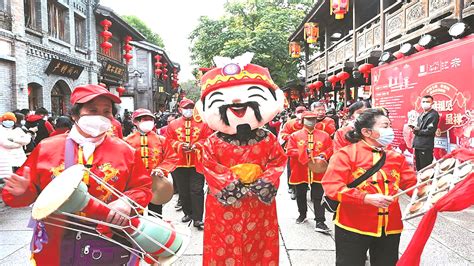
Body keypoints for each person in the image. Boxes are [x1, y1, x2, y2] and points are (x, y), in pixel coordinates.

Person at [2, 84, 152, 265]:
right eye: (93, 110)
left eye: (107, 112)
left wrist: (126, 202)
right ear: (75, 114)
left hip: (110, 241)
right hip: (57, 244)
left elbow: (143, 188)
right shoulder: (47, 148)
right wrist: (21, 192)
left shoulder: (126, 151)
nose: (101, 117)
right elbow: (22, 196)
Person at [197, 53, 287, 264]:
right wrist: (236, 184)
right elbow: (210, 167)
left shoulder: (268, 139)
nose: (237, 101)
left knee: (260, 243)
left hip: (259, 203)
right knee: (223, 245)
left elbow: (278, 162)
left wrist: (262, 182)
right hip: (224, 205)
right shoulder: (212, 141)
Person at [322, 108, 417, 266]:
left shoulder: (395, 157)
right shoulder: (346, 155)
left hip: (389, 225)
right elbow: (332, 187)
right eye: (385, 126)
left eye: (390, 126)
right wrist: (365, 198)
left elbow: (412, 184)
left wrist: (433, 189)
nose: (390, 130)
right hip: (352, 225)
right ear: (367, 131)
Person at [166, 98, 213, 230]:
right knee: (183, 191)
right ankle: (188, 213)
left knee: (197, 190)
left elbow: (208, 140)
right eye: (186, 108)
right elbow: (169, 141)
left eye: (191, 108)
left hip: (197, 162)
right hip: (179, 163)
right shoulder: (173, 124)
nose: (189, 110)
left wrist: (196, 146)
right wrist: (180, 145)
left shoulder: (203, 124)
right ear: (180, 109)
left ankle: (198, 218)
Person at [124, 108, 178, 216]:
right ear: (136, 122)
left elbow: (171, 157)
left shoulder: (161, 140)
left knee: (155, 214)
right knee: (134, 214)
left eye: (150, 119)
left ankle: (155, 232)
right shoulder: (127, 141)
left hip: (156, 183)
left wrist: (161, 169)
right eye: (144, 119)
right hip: (134, 184)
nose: (148, 122)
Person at [286, 111, 333, 232]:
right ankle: (302, 214)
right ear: (302, 120)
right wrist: (302, 152)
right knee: (300, 194)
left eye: (313, 119)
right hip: (300, 169)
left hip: (318, 169)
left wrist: (323, 154)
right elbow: (289, 151)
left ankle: (320, 221)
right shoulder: (295, 135)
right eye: (308, 119)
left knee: (318, 195)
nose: (311, 121)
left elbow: (330, 148)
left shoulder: (324, 135)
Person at [0, 112, 31, 182]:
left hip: (20, 160)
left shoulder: (18, 130)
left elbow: (26, 140)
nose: (8, 122)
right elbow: (5, 143)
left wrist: (14, 140)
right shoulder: (1, 131)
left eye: (10, 120)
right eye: (6, 120)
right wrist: (20, 144)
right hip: (6, 162)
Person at [412, 95, 439, 171]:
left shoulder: (433, 114)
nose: (425, 103)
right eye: (423, 102)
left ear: (432, 103)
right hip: (418, 145)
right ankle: (420, 182)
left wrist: (418, 131)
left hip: (425, 146)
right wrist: (414, 128)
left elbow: (430, 131)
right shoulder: (421, 114)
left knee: (426, 169)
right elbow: (418, 127)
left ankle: (426, 183)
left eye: (427, 102)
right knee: (419, 168)